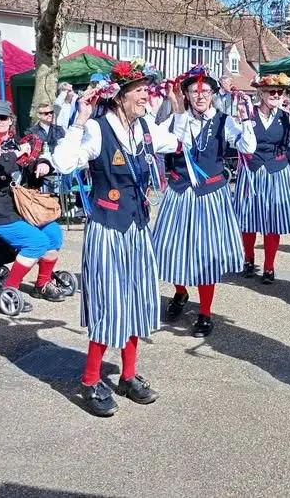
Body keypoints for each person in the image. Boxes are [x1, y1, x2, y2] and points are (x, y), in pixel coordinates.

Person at [52, 60, 184, 417]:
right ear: (120, 96)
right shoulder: (96, 129)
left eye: (147, 89)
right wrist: (78, 119)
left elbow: (177, 141)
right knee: (109, 303)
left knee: (139, 299)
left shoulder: (144, 127)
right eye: (140, 90)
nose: (146, 95)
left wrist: (182, 108)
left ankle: (128, 375)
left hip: (138, 226)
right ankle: (91, 379)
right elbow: (64, 164)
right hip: (107, 228)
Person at [157, 66, 256, 337]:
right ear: (186, 95)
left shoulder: (225, 121)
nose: (200, 96)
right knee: (171, 249)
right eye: (194, 91)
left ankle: (205, 313)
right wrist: (177, 112)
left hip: (211, 195)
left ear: (213, 94)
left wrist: (246, 120)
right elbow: (163, 144)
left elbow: (248, 148)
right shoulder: (176, 118)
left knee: (206, 256)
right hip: (179, 193)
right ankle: (180, 292)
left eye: (205, 92)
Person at [0, 100, 66, 312]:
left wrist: (42, 164)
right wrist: (8, 157)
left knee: (54, 234)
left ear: (11, 121)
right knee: (36, 242)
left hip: (21, 208)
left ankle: (42, 284)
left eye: (4, 118)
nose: (0, 122)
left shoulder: (16, 144)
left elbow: (30, 171)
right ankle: (9, 288)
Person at [234, 73, 290, 284]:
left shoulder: (287, 116)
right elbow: (240, 143)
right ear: (261, 93)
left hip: (277, 171)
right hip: (252, 171)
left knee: (273, 221)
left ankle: (269, 266)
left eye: (279, 91)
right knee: (248, 217)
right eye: (271, 91)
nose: (276, 95)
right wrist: (245, 120)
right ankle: (248, 258)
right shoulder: (248, 114)